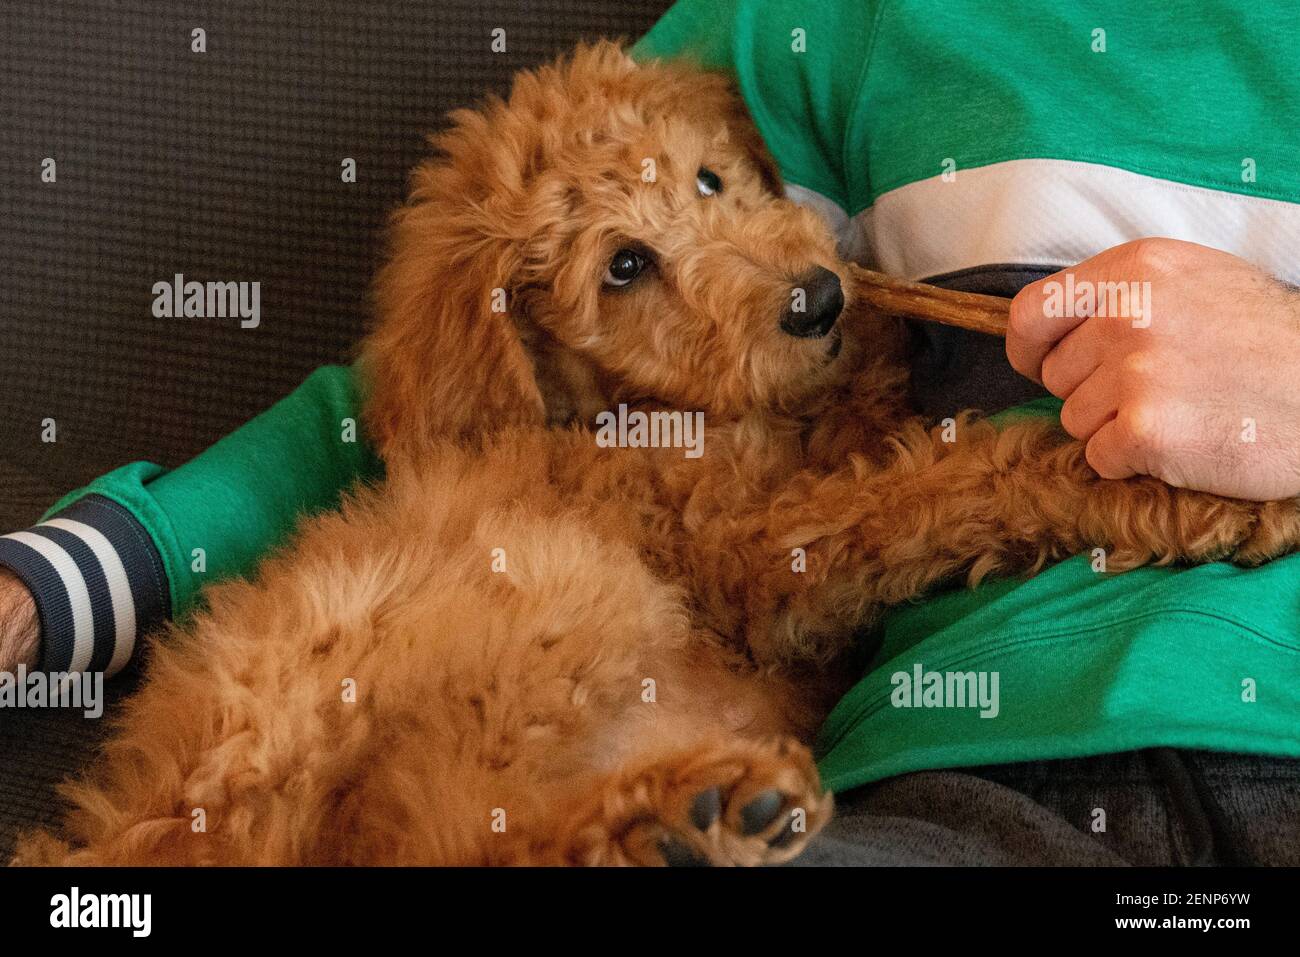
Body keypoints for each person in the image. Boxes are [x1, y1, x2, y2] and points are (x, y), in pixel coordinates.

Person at [3, 0, 1299, 864]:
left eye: (713, 186)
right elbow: (405, 421)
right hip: (953, 790)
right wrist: (61, 581)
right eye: (631, 270)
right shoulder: (819, 29)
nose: (778, 264)